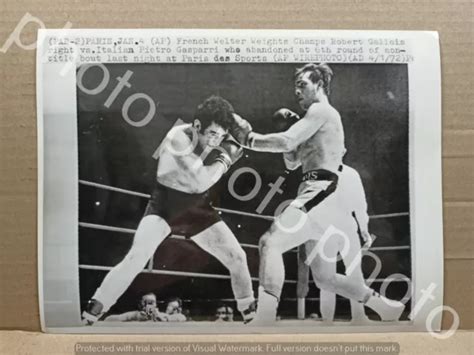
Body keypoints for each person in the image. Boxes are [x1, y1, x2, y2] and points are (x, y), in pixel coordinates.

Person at [231, 63, 405, 324]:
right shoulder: (313, 122)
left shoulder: (321, 110)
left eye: (302, 85)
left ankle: (264, 318)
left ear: (319, 85)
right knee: (324, 278)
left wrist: (250, 139)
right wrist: (290, 132)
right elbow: (291, 161)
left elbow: (288, 141)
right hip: (319, 194)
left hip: (321, 191)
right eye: (295, 87)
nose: (297, 91)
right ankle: (385, 307)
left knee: (271, 242)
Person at [82, 96, 256, 324]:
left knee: (237, 257)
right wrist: (225, 159)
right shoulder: (178, 139)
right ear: (197, 126)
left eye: (221, 136)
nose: (216, 141)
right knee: (136, 257)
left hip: (197, 208)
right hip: (166, 206)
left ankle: (251, 317)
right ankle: (91, 314)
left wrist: (238, 124)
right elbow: (199, 182)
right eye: (212, 134)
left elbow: (244, 128)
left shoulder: (215, 134)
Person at [299, 164, 373, 324]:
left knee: (354, 273)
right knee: (328, 276)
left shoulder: (352, 174)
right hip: (324, 229)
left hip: (347, 227)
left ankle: (359, 317)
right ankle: (327, 319)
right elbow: (306, 202)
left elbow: (360, 204)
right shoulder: (316, 172)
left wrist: (364, 229)